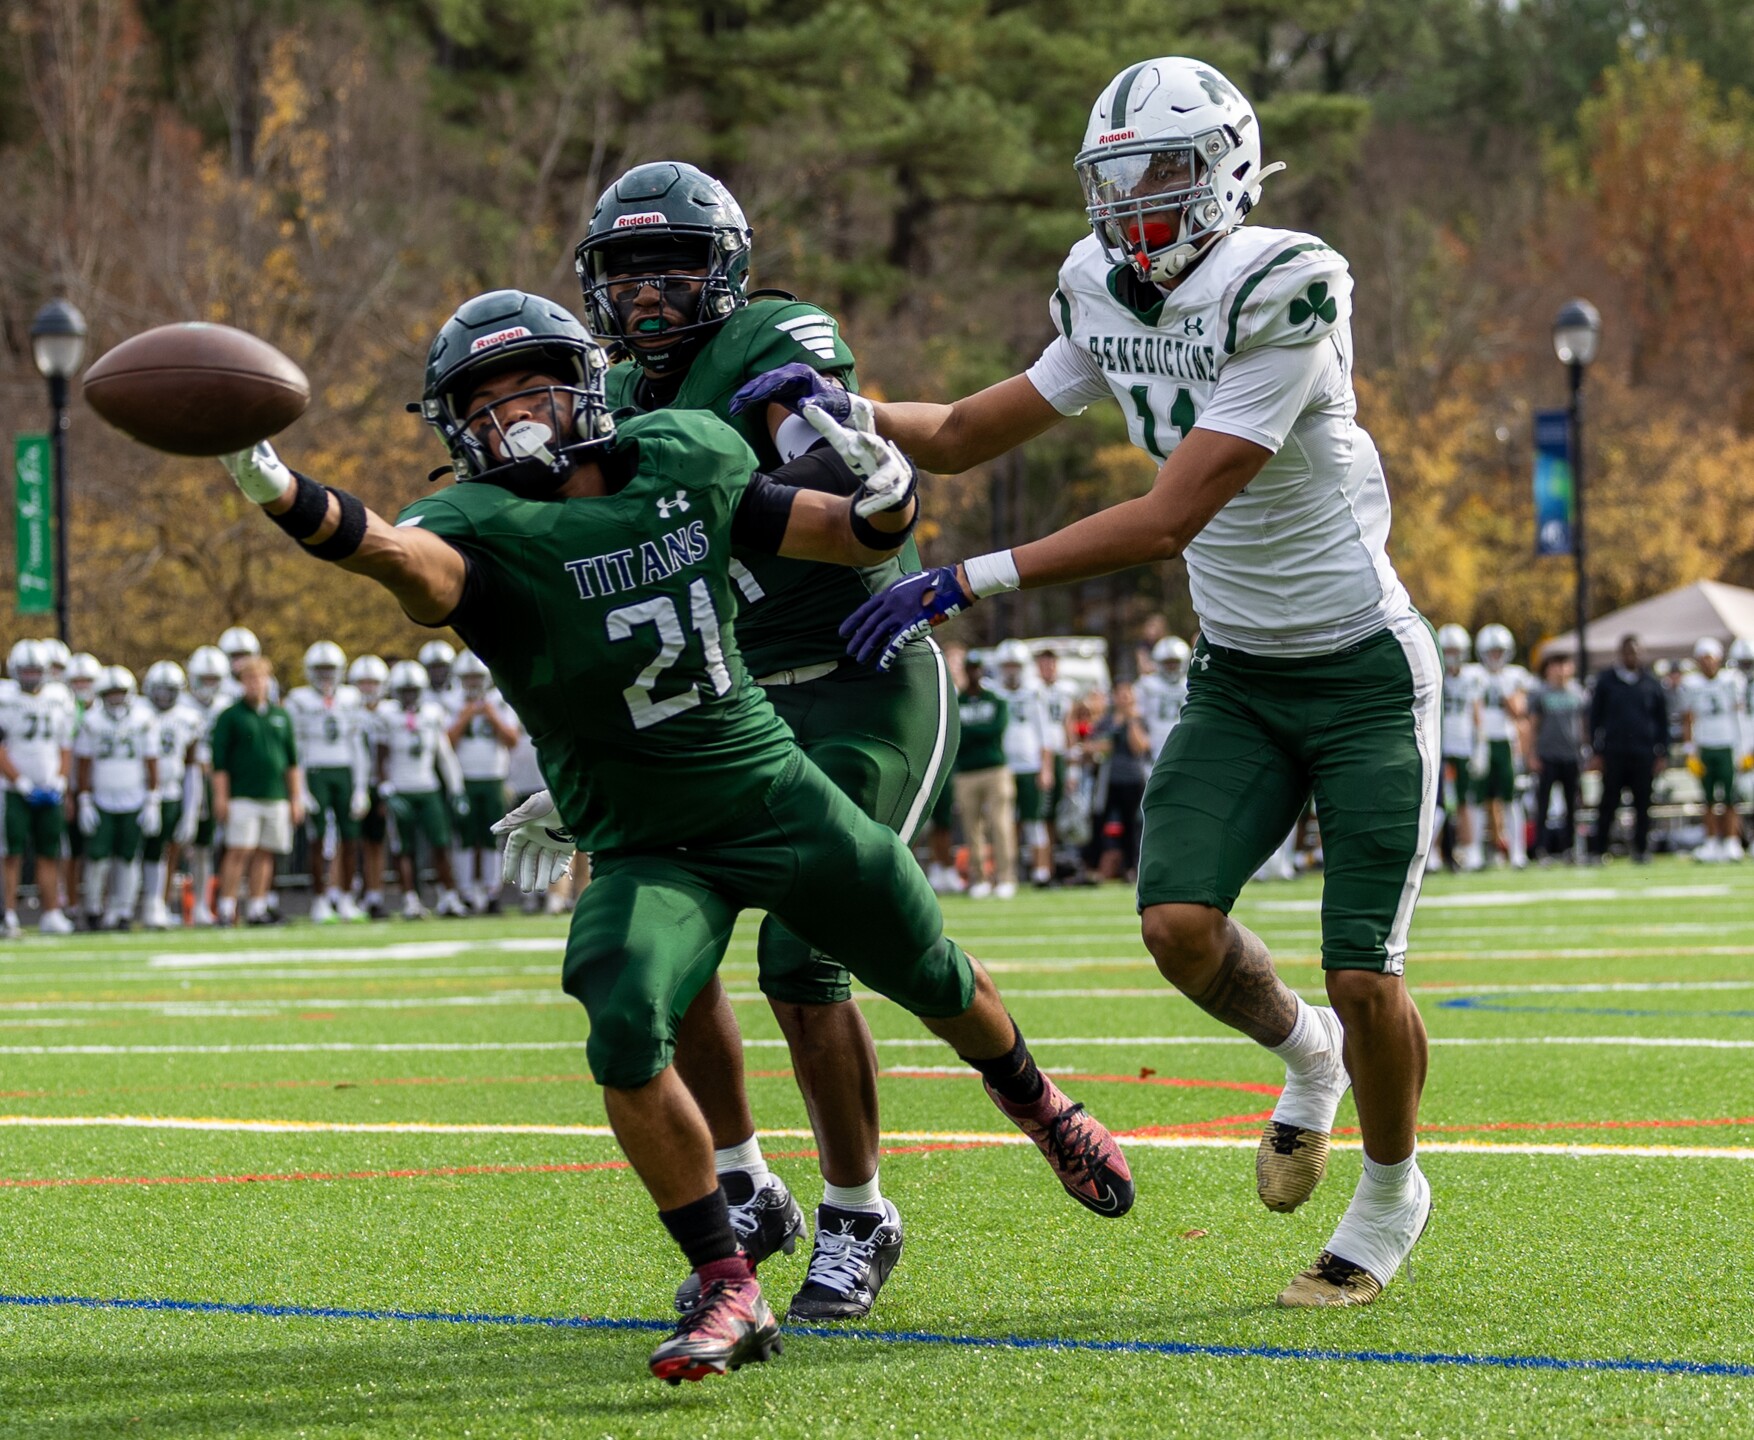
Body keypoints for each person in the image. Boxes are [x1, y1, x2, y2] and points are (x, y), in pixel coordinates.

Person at [214, 288, 1130, 1383]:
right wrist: (275, 485)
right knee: (618, 1003)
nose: (512, 415)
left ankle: (1037, 1103)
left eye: (530, 384)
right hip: (647, 838)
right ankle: (730, 1279)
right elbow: (397, 558)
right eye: (483, 400)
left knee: (923, 964)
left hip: (767, 791)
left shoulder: (683, 456)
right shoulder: (475, 523)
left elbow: (841, 538)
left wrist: (887, 498)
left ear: (584, 383)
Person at [769, 55, 1436, 1305]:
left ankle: (1392, 1188)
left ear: (1229, 169)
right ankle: (1308, 1059)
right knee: (1177, 929)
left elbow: (1167, 515)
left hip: (1357, 668)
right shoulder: (1102, 288)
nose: (1136, 205)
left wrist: (963, 581)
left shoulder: (1287, 282)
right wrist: (841, 407)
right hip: (1236, 670)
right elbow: (970, 431)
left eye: (1164, 174)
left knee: (1365, 965)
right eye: (1116, 180)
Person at [581, 159, 959, 1320]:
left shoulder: (775, 336)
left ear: (725, 270)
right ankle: (745, 1184)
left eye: (672, 268)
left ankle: (858, 1210)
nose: (647, 296)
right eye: (625, 272)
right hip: (732, 703)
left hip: (859, 679)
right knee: (664, 941)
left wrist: (772, 464)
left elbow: (818, 442)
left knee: (804, 954)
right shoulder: (611, 403)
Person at [209, 655, 302, 925]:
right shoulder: (231, 716)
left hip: (274, 795)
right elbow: (220, 762)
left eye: (260, 678)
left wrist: (295, 797)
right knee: (238, 850)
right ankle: (226, 908)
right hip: (243, 794)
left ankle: (257, 908)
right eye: (250, 678)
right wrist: (221, 796)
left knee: (266, 851)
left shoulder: (281, 715)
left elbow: (292, 762)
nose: (255, 684)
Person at [286, 641, 372, 921]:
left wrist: (360, 787)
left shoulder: (350, 697)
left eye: (330, 669)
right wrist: (300, 790)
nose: (325, 676)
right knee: (318, 839)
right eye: (320, 670)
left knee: (351, 838)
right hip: (315, 772)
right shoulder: (299, 700)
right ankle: (320, 899)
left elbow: (358, 744)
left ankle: (346, 897)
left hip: (344, 770)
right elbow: (295, 746)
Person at [376, 660, 468, 920]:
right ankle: (410, 901)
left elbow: (444, 755)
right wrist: (386, 790)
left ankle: (448, 897)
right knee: (404, 849)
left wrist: (456, 788)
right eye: (404, 691)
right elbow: (380, 757)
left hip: (428, 788)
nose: (409, 696)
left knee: (441, 844)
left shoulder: (432, 713)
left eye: (412, 690)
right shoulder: (387, 716)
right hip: (401, 789)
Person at [73, 666, 160, 930]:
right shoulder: (91, 720)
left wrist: (152, 799)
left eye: (119, 693)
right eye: (110, 694)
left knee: (128, 857)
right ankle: (94, 909)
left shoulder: (144, 719)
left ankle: (123, 910)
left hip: (133, 797)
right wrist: (84, 799)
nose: (115, 699)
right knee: (98, 858)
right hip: (101, 799)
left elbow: (151, 761)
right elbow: (85, 762)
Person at [0, 639, 75, 936]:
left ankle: (51, 912)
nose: (31, 677)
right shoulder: (5, 696)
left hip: (49, 787)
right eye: (25, 671)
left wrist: (60, 779)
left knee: (49, 852)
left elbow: (66, 744)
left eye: (35, 671)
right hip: (12, 789)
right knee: (11, 853)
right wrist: (20, 782)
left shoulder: (60, 697)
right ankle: (7, 914)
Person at [446, 650, 518, 912]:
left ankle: (492, 891)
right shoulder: (450, 702)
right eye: (468, 678)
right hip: (463, 779)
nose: (473, 683)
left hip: (493, 778)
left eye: (476, 677)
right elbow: (446, 743)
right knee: (464, 836)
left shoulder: (499, 702)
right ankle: (465, 891)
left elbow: (512, 739)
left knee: (492, 837)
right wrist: (465, 716)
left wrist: (490, 715)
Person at [1588, 634, 1668, 864]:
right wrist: (1597, 750)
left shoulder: (1651, 683)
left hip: (1643, 752)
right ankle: (1598, 850)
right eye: (1628, 652)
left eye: (1636, 651)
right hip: (1614, 752)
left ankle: (1641, 849)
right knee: (1608, 803)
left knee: (1643, 804)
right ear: (1621, 654)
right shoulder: (1606, 681)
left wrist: (1662, 752)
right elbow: (1595, 718)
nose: (1632, 656)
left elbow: (1661, 720)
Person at [139, 661, 204, 929]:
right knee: (131, 852)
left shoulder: (188, 717)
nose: (164, 697)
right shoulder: (138, 713)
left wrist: (191, 811)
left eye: (170, 691)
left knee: (168, 851)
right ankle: (119, 908)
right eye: (160, 690)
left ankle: (158, 904)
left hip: (172, 790)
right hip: (137, 791)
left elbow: (191, 767)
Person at [951, 654, 1014, 898]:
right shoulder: (958, 700)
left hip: (995, 768)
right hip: (967, 771)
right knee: (971, 827)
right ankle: (978, 878)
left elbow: (996, 730)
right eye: (971, 668)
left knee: (1000, 824)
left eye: (978, 668)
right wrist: (978, 733)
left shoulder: (995, 699)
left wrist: (972, 732)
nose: (974, 673)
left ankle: (1006, 877)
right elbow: (957, 733)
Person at [992, 639, 1053, 887]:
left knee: (1034, 820)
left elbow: (1045, 732)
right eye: (1007, 665)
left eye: (1015, 665)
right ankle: (1010, 872)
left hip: (1029, 765)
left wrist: (1046, 767)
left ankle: (1041, 871)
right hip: (1003, 767)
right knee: (1005, 822)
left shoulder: (1035, 690)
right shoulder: (993, 691)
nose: (1011, 670)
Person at [1681, 637, 1744, 862]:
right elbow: (1687, 718)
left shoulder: (1732, 681)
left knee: (1729, 797)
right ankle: (1710, 842)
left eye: (1711, 658)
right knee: (1707, 799)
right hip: (1705, 746)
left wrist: (1744, 746)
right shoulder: (1691, 684)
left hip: (1727, 744)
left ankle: (1731, 841)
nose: (1708, 663)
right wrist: (1690, 750)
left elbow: (1740, 714)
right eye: (1703, 659)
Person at [1473, 624, 1530, 869]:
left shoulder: (1514, 676)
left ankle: (1518, 853)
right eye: (1492, 651)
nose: (1495, 657)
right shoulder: (1473, 675)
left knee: (1512, 799)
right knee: (1476, 800)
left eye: (1499, 651)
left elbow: (1518, 710)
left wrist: (1504, 687)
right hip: (1481, 743)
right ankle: (1474, 853)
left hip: (1506, 742)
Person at [182, 645, 232, 925]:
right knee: (182, 843)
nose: (209, 685)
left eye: (215, 679)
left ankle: (206, 903)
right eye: (205, 679)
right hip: (187, 781)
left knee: (210, 845)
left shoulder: (227, 706)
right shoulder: (181, 706)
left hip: (219, 780)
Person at [1525, 652, 1587, 862]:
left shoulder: (1578, 693)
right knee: (1543, 805)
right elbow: (1533, 726)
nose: (1560, 670)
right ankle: (1541, 848)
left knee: (1572, 806)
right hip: (1547, 756)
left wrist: (1585, 750)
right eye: (1555, 665)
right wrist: (1531, 754)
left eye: (1564, 664)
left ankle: (1569, 848)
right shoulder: (1540, 693)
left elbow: (1583, 726)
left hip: (1571, 756)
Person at [345, 654, 392, 918]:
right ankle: (349, 894)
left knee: (376, 843)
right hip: (353, 784)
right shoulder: (349, 712)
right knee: (350, 842)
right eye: (362, 684)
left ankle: (375, 894)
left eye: (372, 683)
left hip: (379, 784)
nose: (368, 689)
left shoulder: (390, 712)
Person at [1094, 680, 1152, 880]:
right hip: (1110, 781)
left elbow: (1140, 747)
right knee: (1110, 826)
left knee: (1136, 825)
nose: (1124, 698)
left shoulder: (1139, 719)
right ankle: (1114, 866)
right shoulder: (1107, 721)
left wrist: (1130, 721)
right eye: (1120, 694)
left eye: (1127, 694)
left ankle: (1134, 867)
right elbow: (1097, 746)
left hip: (1134, 779)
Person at [1033, 646, 1080, 885]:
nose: (1048, 668)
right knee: (1041, 814)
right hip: (1038, 757)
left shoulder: (1065, 690)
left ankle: (1055, 866)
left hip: (1059, 754)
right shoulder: (1032, 689)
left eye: (1051, 663)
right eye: (1043, 663)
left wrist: (1073, 766)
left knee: (1061, 816)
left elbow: (1069, 726)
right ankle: (1042, 866)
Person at [1134, 636, 1189, 760]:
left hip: (1183, 739)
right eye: (1168, 664)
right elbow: (1137, 715)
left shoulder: (1189, 684)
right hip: (1154, 740)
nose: (1171, 668)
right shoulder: (1147, 684)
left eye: (1175, 663)